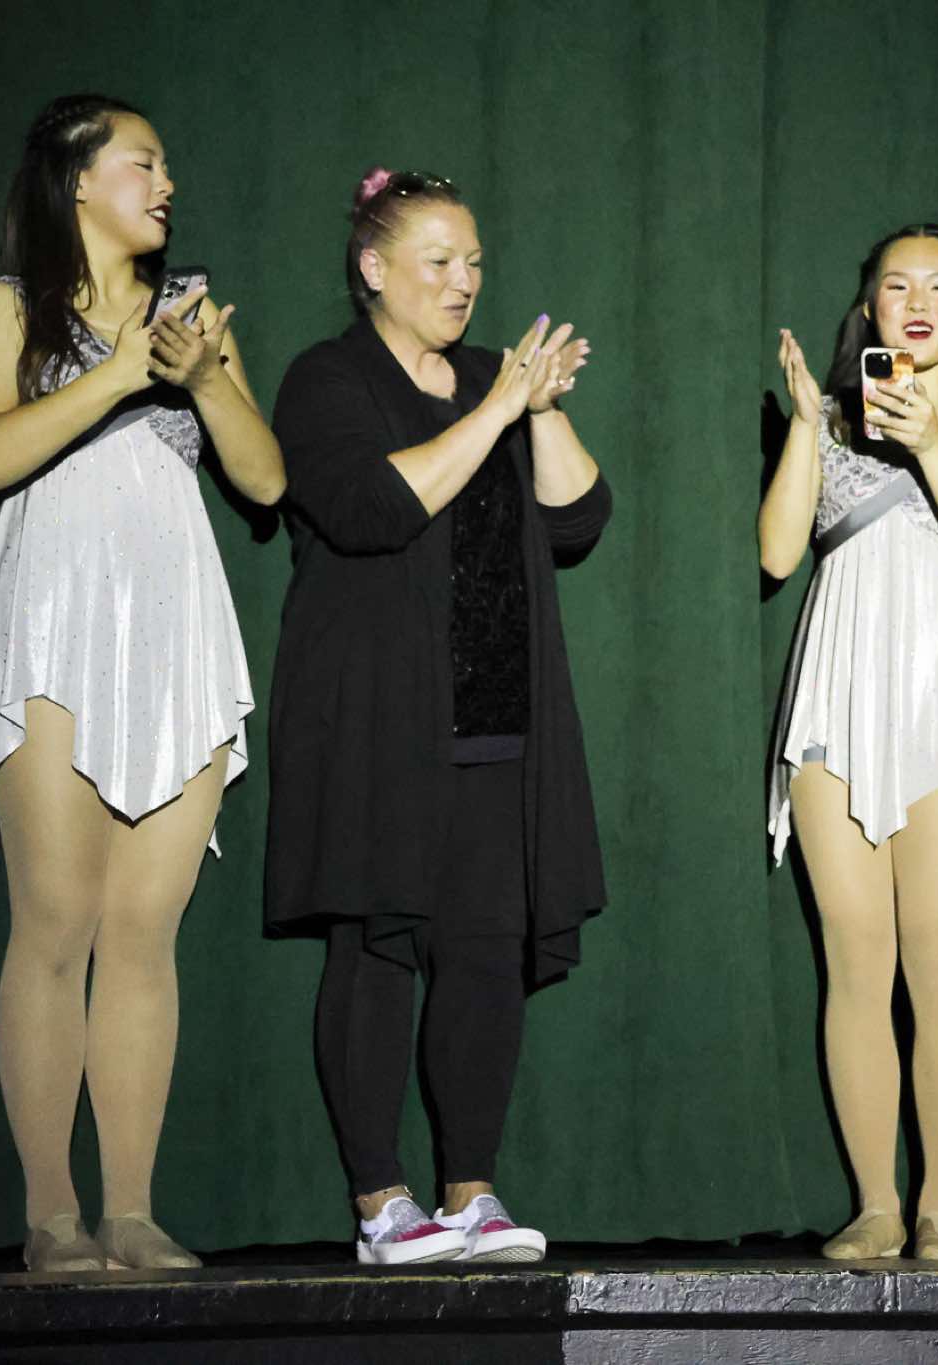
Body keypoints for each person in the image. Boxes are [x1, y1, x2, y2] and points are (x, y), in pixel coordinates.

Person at [0, 93, 285, 1271]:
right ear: (78, 178)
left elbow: (263, 481)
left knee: (145, 929)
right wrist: (120, 373)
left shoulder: (190, 315)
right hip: (54, 613)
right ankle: (51, 1215)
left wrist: (202, 376)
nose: (166, 182)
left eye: (167, 165)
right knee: (55, 916)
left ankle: (130, 1211)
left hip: (172, 622)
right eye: (144, 162)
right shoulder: (5, 308)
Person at [266, 167, 612, 1266]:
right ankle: (382, 1203)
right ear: (374, 268)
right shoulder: (327, 378)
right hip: (376, 712)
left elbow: (578, 519)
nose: (465, 282)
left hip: (495, 713)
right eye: (439, 262)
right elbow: (372, 507)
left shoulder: (492, 377)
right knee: (377, 942)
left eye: (474, 263)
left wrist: (538, 411)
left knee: (482, 950)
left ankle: (471, 1192)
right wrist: (500, 407)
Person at [760, 224, 938, 1261]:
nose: (917, 303)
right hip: (836, 699)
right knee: (854, 960)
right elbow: (777, 552)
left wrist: (928, 445)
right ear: (869, 308)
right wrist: (805, 425)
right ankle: (876, 1203)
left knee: (937, 958)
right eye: (895, 287)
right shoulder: (831, 417)